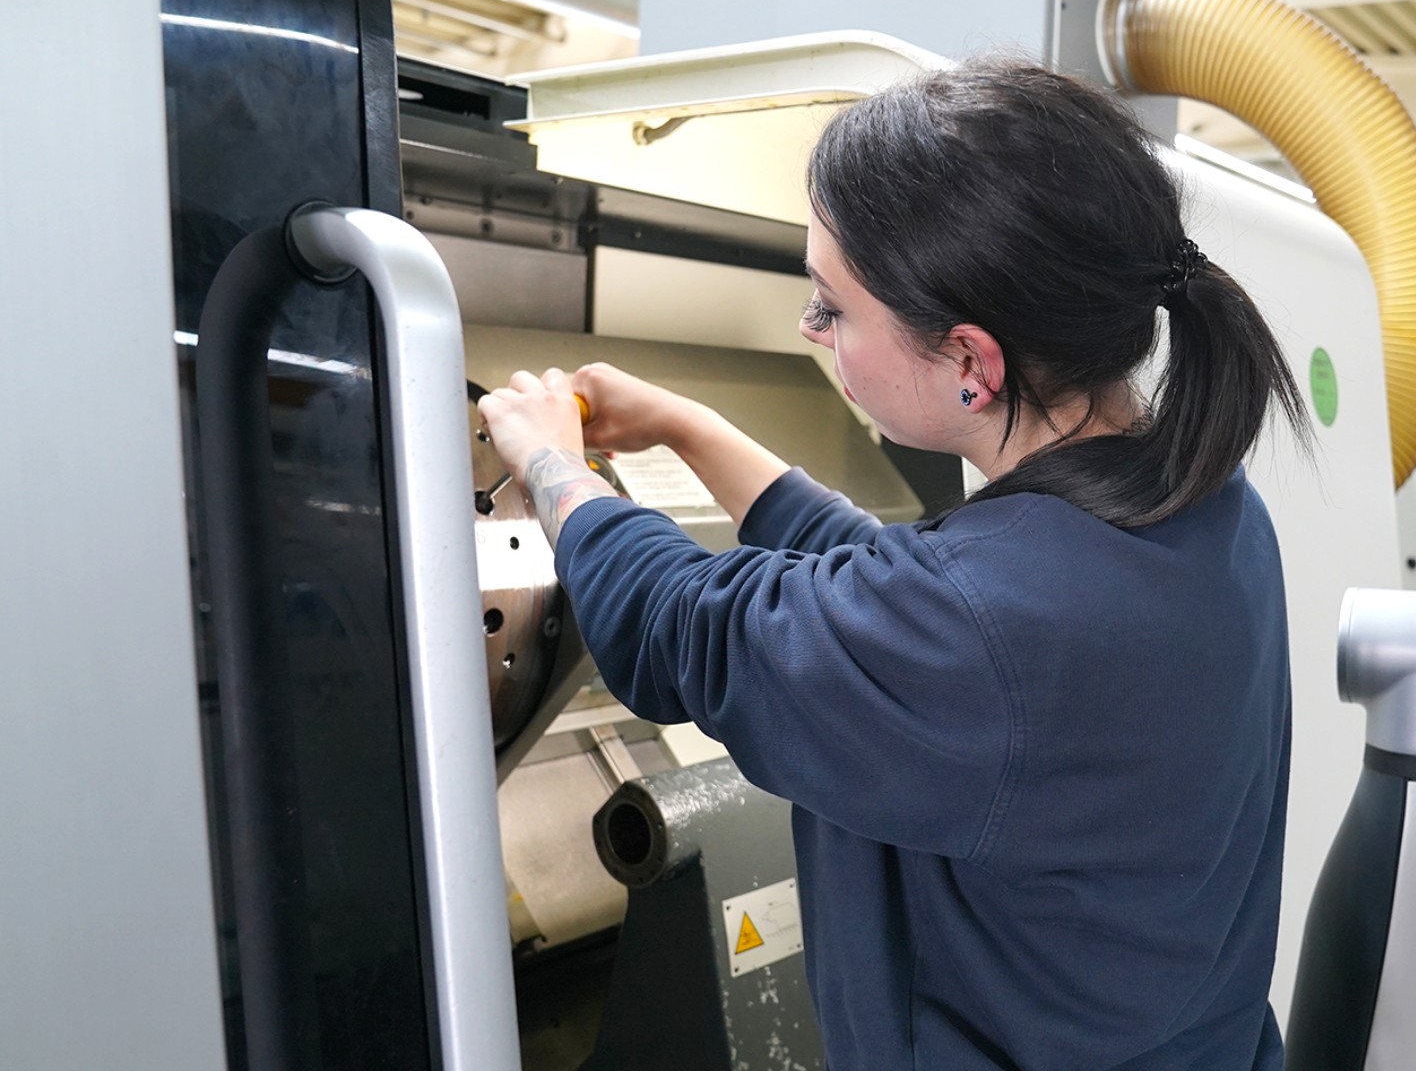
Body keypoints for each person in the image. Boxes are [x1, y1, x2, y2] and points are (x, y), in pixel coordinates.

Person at [479, 57, 1313, 1071]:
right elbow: (904, 590)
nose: (809, 328)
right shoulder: (1204, 508)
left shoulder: (988, 621)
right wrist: (691, 429)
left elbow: (682, 632)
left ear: (972, 361)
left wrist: (549, 461)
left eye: (832, 308)